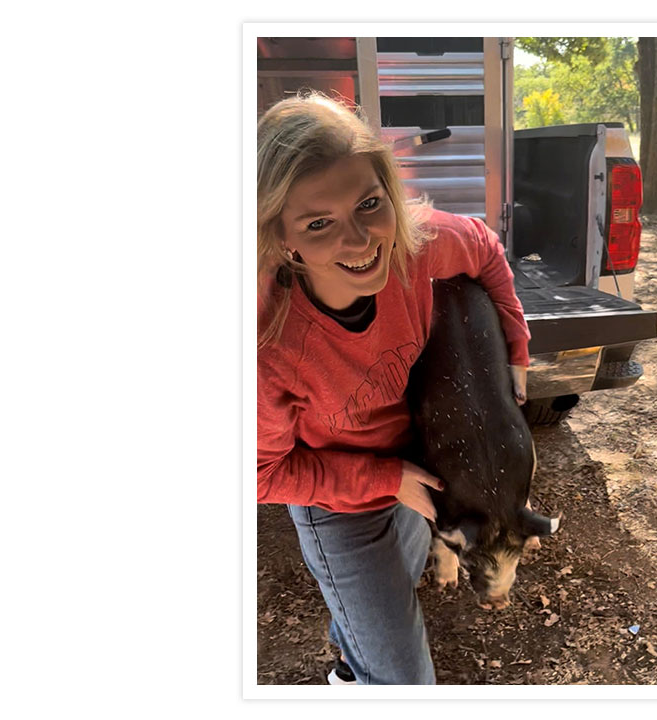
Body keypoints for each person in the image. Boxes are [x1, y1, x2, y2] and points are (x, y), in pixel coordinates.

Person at [255, 90, 531, 685]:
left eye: (370, 203)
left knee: (386, 596)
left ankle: (355, 655)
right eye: (319, 222)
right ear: (282, 239)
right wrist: (387, 481)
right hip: (339, 505)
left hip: (414, 468)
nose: (360, 240)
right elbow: (260, 473)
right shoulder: (266, 348)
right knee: (404, 680)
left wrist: (518, 351)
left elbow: (485, 249)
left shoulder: (412, 248)